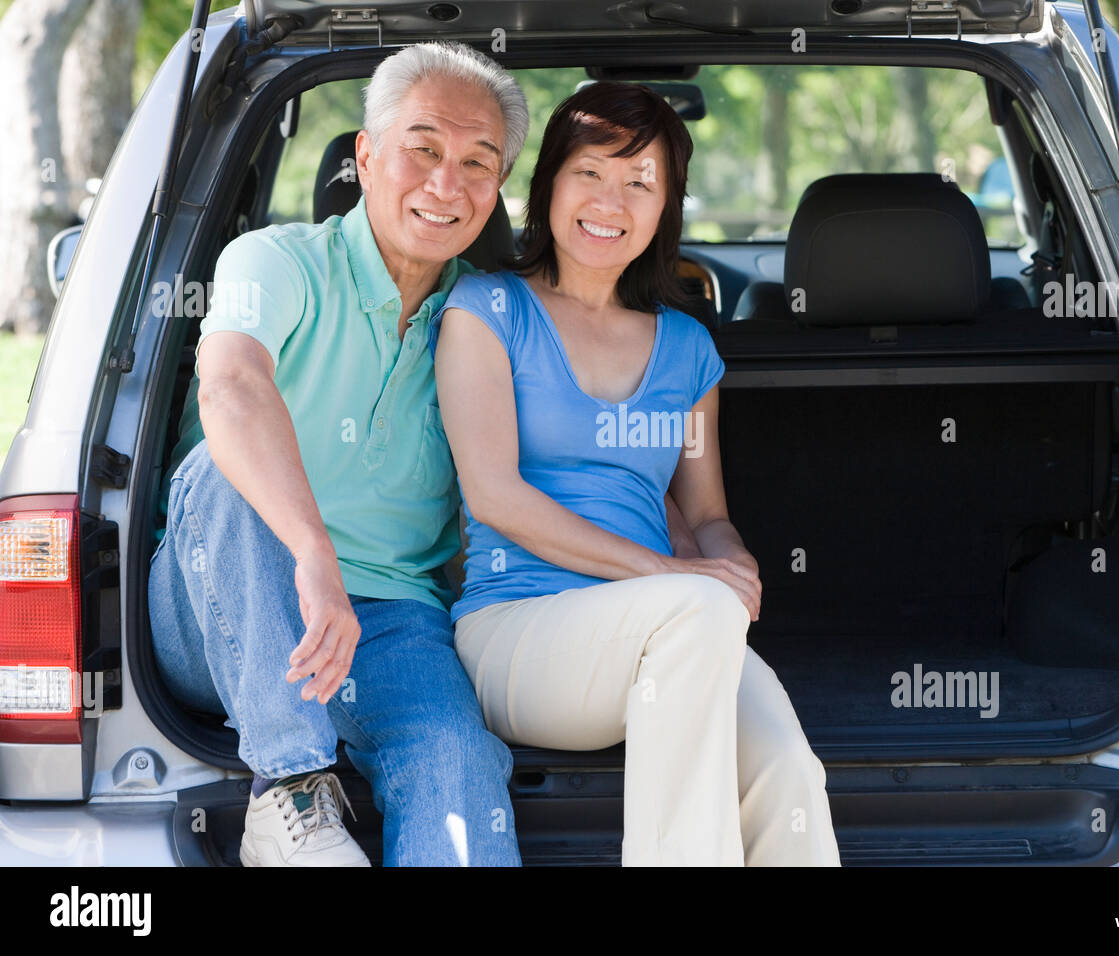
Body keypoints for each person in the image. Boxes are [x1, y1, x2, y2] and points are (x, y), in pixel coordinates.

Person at [433, 81, 841, 866]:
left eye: (639, 183)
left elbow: (707, 513)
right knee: (695, 613)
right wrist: (669, 575)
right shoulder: (486, 312)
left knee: (788, 771)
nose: (610, 200)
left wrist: (731, 561)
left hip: (673, 630)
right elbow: (495, 494)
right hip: (518, 631)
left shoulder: (687, 348)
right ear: (548, 182)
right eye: (590, 172)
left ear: (665, 210)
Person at [147, 41, 529, 866]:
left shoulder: (487, 319)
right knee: (221, 465)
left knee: (457, 763)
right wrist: (311, 552)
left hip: (389, 622)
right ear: (365, 154)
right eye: (423, 149)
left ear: (499, 187)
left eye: (477, 162)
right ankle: (291, 792)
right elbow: (232, 391)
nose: (446, 183)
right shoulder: (274, 260)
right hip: (217, 603)